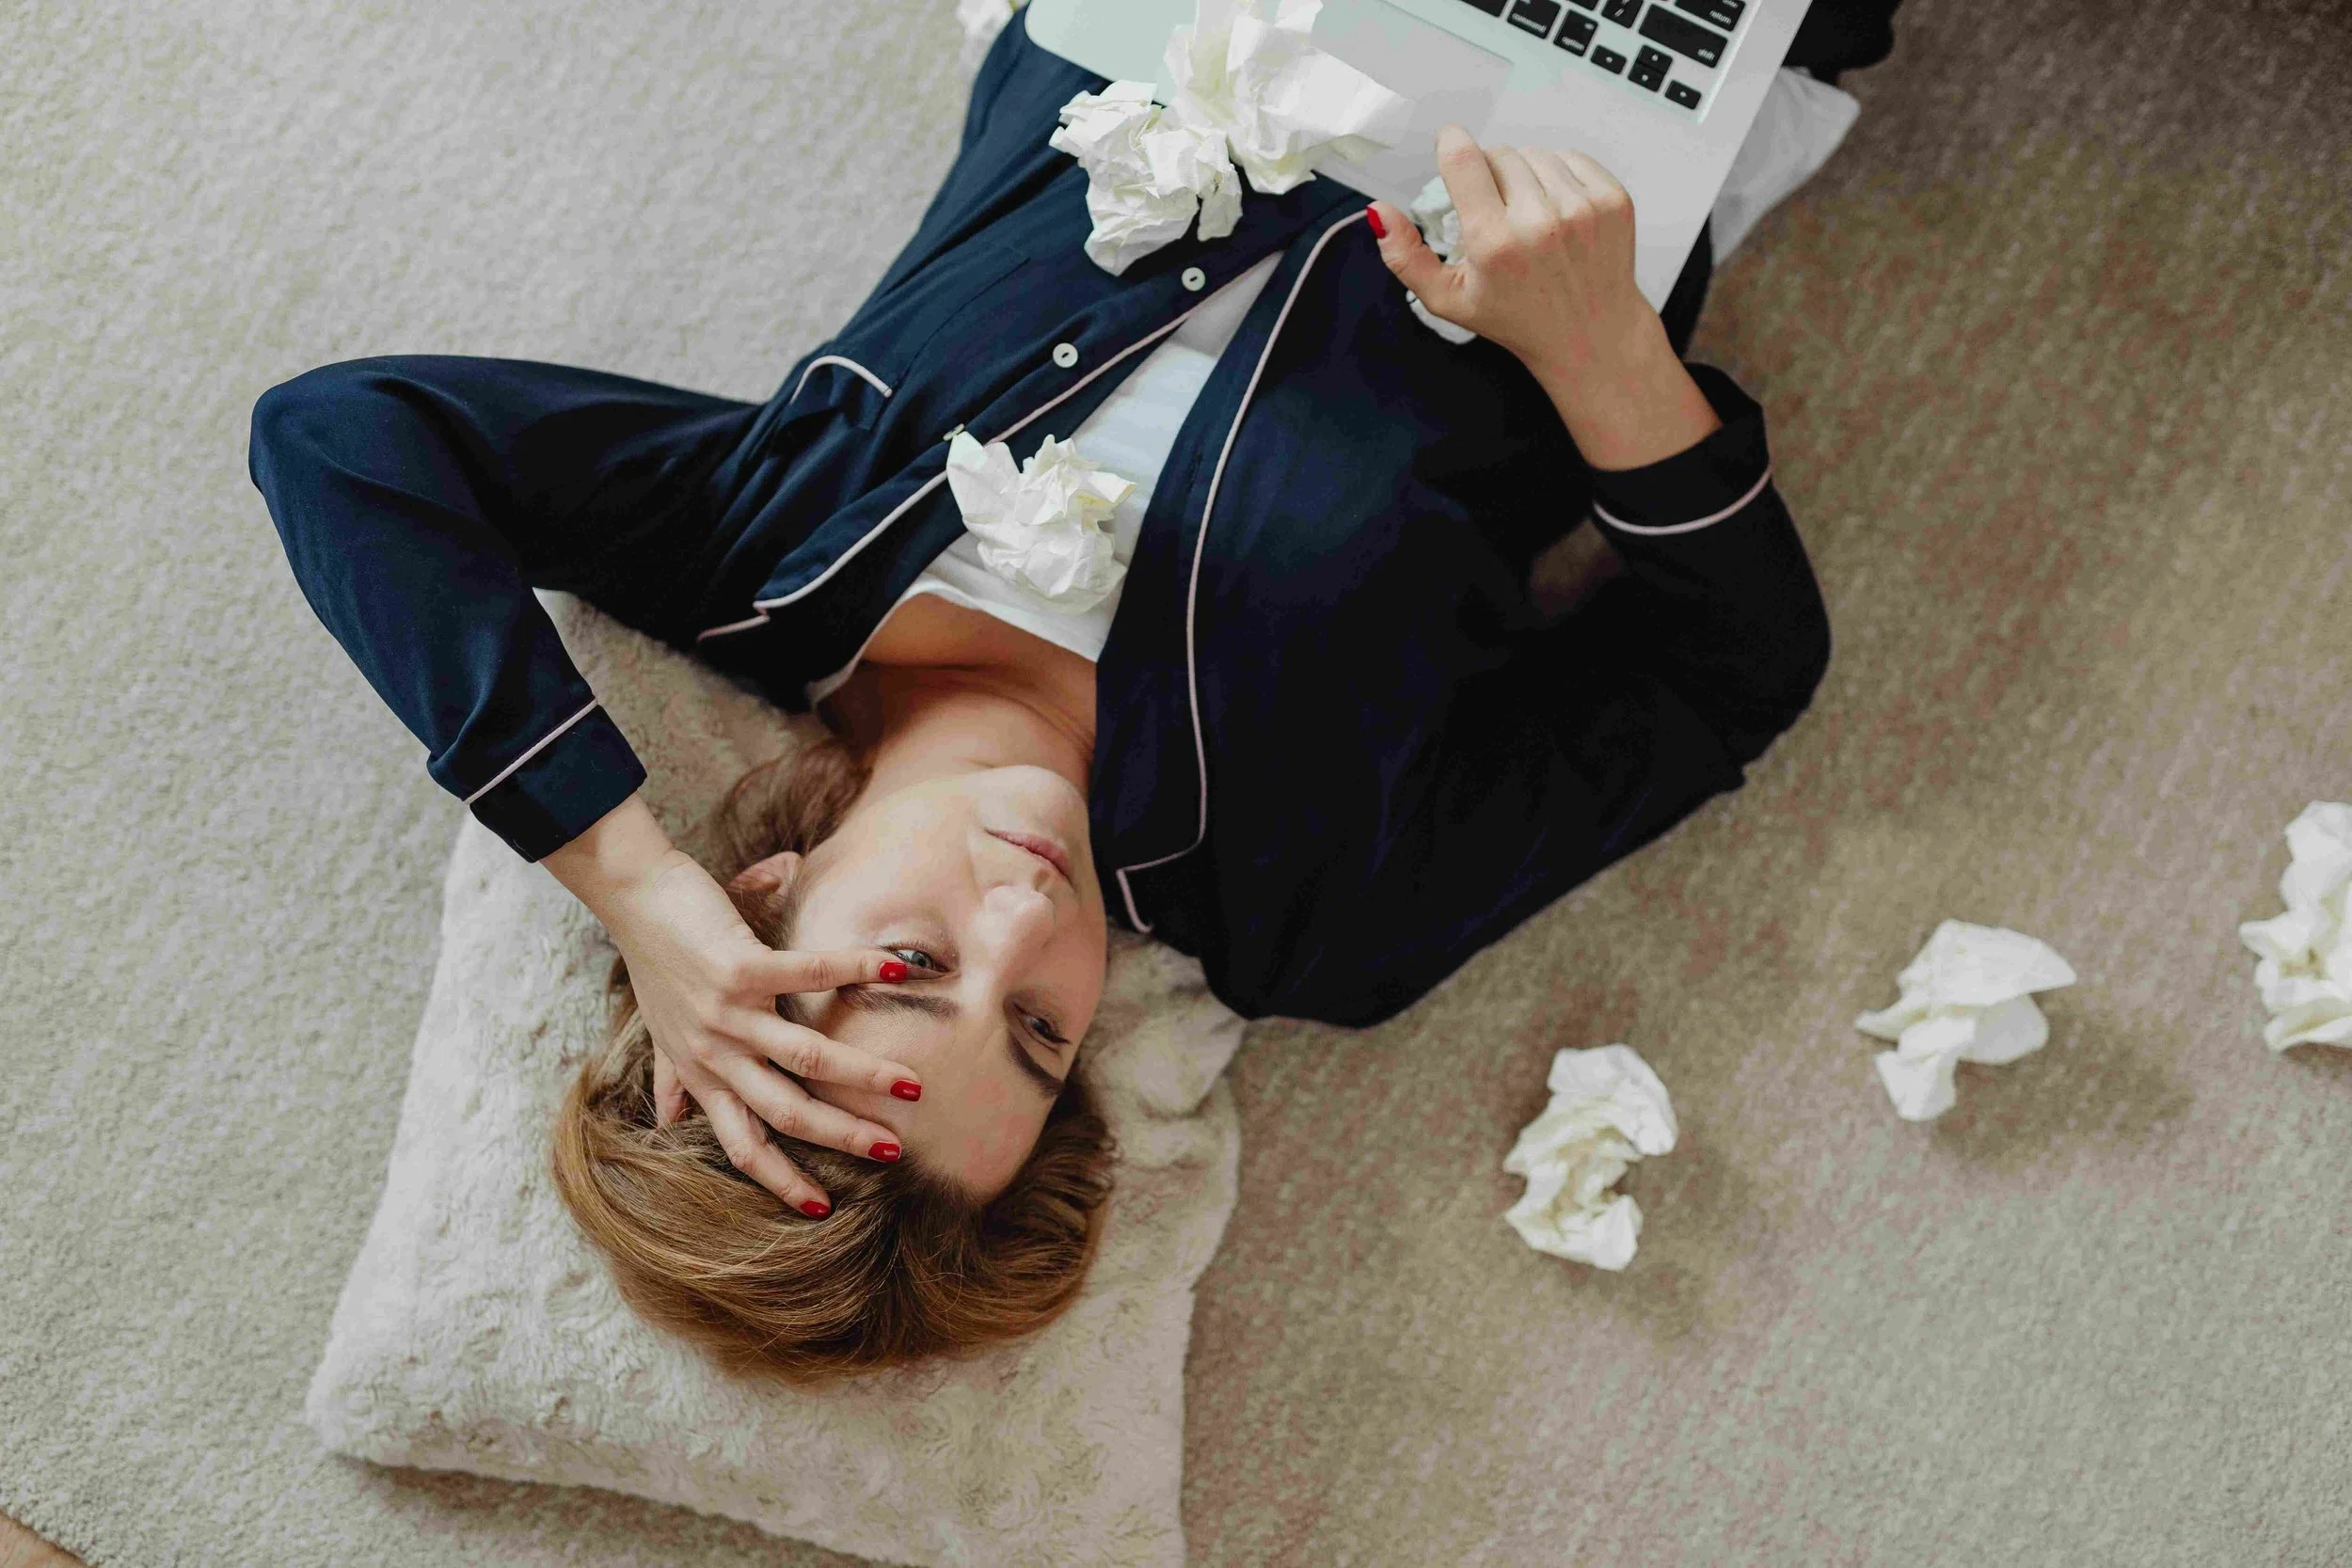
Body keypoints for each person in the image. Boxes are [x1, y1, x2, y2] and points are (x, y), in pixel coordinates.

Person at [248, 8, 1879, 1377]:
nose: (1029, 929)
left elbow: (340, 437)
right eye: (1037, 1034)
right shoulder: (1319, 904)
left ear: (768, 892)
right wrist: (1603, 356)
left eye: (910, 961)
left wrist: (623, 875)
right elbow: (1732, 673)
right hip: (1615, 62)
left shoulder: (773, 552)